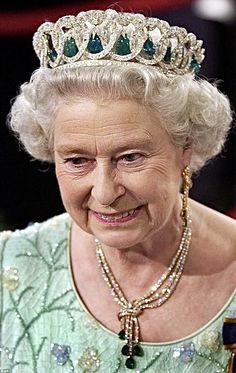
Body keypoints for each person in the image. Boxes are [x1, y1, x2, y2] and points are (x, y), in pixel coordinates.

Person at [1, 9, 235, 373]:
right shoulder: (10, 266)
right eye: (78, 160)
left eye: (130, 157)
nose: (105, 193)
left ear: (185, 147)